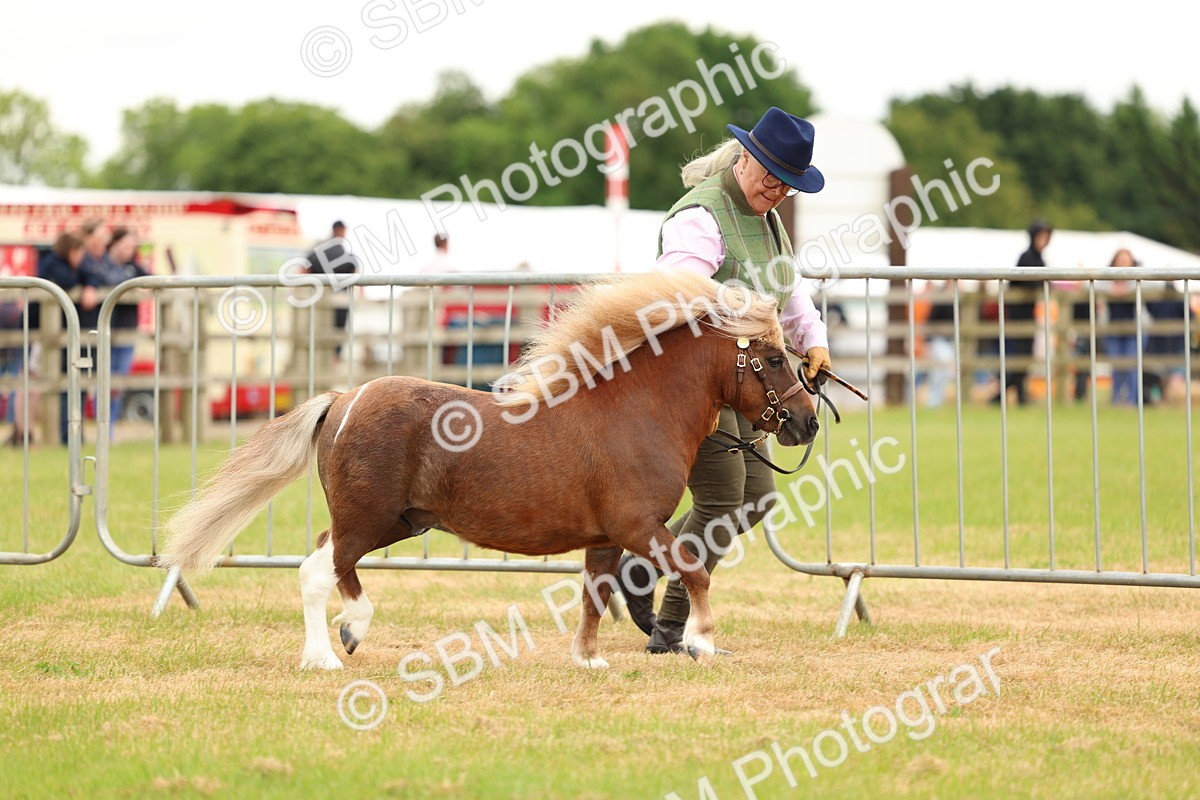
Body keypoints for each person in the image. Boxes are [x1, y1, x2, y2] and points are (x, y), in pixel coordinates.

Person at [613, 107, 832, 655]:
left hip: (746, 382)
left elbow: (790, 290)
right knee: (721, 498)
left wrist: (814, 338)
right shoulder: (701, 217)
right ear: (746, 158)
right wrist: (742, 310)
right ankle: (673, 631)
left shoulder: (767, 219)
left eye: (789, 184)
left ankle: (638, 570)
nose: (778, 189)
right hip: (692, 386)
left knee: (756, 500)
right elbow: (676, 292)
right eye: (771, 175)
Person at [37, 230, 91, 445]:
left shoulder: (58, 263)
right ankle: (52, 433)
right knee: (46, 383)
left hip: (55, 333)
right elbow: (68, 281)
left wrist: (88, 282)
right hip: (42, 333)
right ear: (72, 250)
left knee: (61, 383)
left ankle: (66, 434)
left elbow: (87, 275)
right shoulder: (52, 264)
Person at [997, 219, 1052, 405]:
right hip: (1018, 315)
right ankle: (1011, 394)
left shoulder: (1039, 259)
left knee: (1025, 356)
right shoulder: (1027, 257)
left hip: (1028, 314)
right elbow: (1027, 283)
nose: (1044, 240)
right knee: (1020, 355)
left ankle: (1013, 394)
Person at [100, 227, 149, 428]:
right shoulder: (101, 265)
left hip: (127, 330)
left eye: (132, 246)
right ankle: (103, 424)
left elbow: (151, 279)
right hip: (104, 330)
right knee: (103, 379)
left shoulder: (133, 267)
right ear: (115, 243)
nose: (129, 250)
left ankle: (110, 425)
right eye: (126, 245)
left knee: (119, 382)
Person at [305, 221, 359, 358]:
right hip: (340, 302)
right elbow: (356, 275)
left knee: (317, 332)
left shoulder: (316, 252)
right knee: (338, 333)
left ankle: (318, 361)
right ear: (341, 231)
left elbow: (303, 271)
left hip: (317, 300)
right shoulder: (346, 255)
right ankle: (334, 360)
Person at [1105, 249, 1142, 406]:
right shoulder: (1106, 280)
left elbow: (1150, 285)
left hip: (1133, 329)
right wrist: (1111, 290)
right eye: (1120, 259)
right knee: (1116, 365)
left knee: (1131, 366)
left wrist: (1127, 290)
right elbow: (1091, 285)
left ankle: (1131, 401)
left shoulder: (1138, 279)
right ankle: (1116, 400)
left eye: (1126, 260)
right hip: (1112, 329)